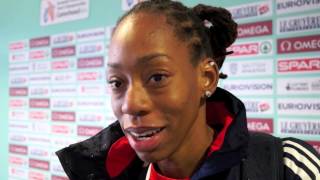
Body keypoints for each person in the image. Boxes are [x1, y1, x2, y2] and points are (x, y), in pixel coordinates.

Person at [56, 0, 320, 179]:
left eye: (157, 77)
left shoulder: (285, 168)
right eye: (117, 83)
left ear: (206, 77)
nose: (130, 104)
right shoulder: (97, 171)